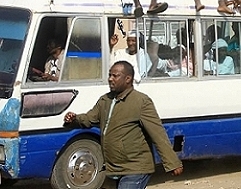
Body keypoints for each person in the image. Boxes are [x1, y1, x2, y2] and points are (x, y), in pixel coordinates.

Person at [63, 61, 183, 189]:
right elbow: (89, 119)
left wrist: (172, 163)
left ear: (128, 79)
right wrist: (74, 119)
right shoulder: (105, 100)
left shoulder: (141, 102)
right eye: (110, 75)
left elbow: (157, 133)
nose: (110, 79)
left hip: (135, 168)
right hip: (114, 167)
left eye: (115, 76)